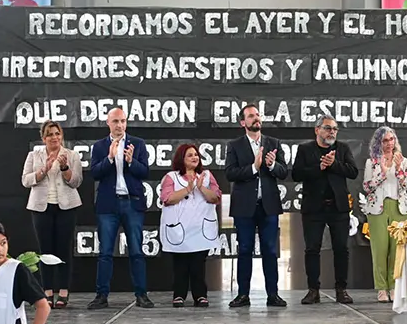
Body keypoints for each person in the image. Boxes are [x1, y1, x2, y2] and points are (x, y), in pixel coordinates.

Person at [87, 107, 154, 309]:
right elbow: (95, 174)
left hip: (132, 203)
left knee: (136, 251)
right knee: (105, 252)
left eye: (123, 121)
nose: (120, 125)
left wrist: (130, 161)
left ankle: (141, 295)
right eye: (115, 121)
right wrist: (109, 158)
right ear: (108, 123)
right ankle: (101, 296)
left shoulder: (138, 144)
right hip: (108, 204)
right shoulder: (99, 146)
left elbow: (145, 172)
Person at [225, 104, 288, 308]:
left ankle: (273, 294)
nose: (256, 119)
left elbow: (284, 172)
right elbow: (230, 173)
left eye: (258, 115)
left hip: (268, 205)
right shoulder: (234, 145)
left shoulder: (273, 143)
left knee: (270, 250)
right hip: (244, 207)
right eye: (251, 116)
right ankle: (243, 294)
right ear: (243, 122)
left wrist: (271, 165)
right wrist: (254, 167)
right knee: (244, 250)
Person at [292, 115, 358, 305]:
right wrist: (319, 166)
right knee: (312, 249)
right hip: (314, 208)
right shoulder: (305, 149)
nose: (332, 132)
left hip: (338, 207)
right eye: (328, 128)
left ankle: (341, 290)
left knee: (341, 249)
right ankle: (313, 290)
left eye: (335, 129)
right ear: (317, 130)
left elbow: (353, 172)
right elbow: (296, 174)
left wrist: (333, 164)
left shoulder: (342, 148)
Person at [22, 120, 83, 308]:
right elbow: (25, 180)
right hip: (42, 207)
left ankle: (63, 292)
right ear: (43, 138)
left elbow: (77, 182)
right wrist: (43, 170)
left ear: (61, 135)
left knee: (64, 249)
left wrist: (64, 169)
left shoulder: (71, 155)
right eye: (50, 134)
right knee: (45, 251)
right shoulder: (34, 155)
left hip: (66, 207)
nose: (54, 137)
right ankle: (47, 292)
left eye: (57, 133)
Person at [159, 144, 222, 307]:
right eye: (190, 155)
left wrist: (200, 187)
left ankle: (200, 295)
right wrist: (188, 188)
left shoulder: (207, 176)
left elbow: (215, 198)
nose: (195, 157)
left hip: (200, 230)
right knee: (180, 265)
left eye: (196, 155)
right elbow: (167, 199)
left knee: (198, 265)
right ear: (182, 159)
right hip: (179, 231)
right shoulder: (171, 177)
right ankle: (178, 295)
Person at [362, 126, 407, 303]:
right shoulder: (371, 162)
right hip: (377, 209)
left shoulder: (403, 161)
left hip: (399, 208)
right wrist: (382, 173)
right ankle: (382, 288)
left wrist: (399, 169)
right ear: (378, 142)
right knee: (380, 250)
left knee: (396, 250)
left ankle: (394, 287)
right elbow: (367, 187)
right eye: (385, 140)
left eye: (391, 139)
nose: (389, 143)